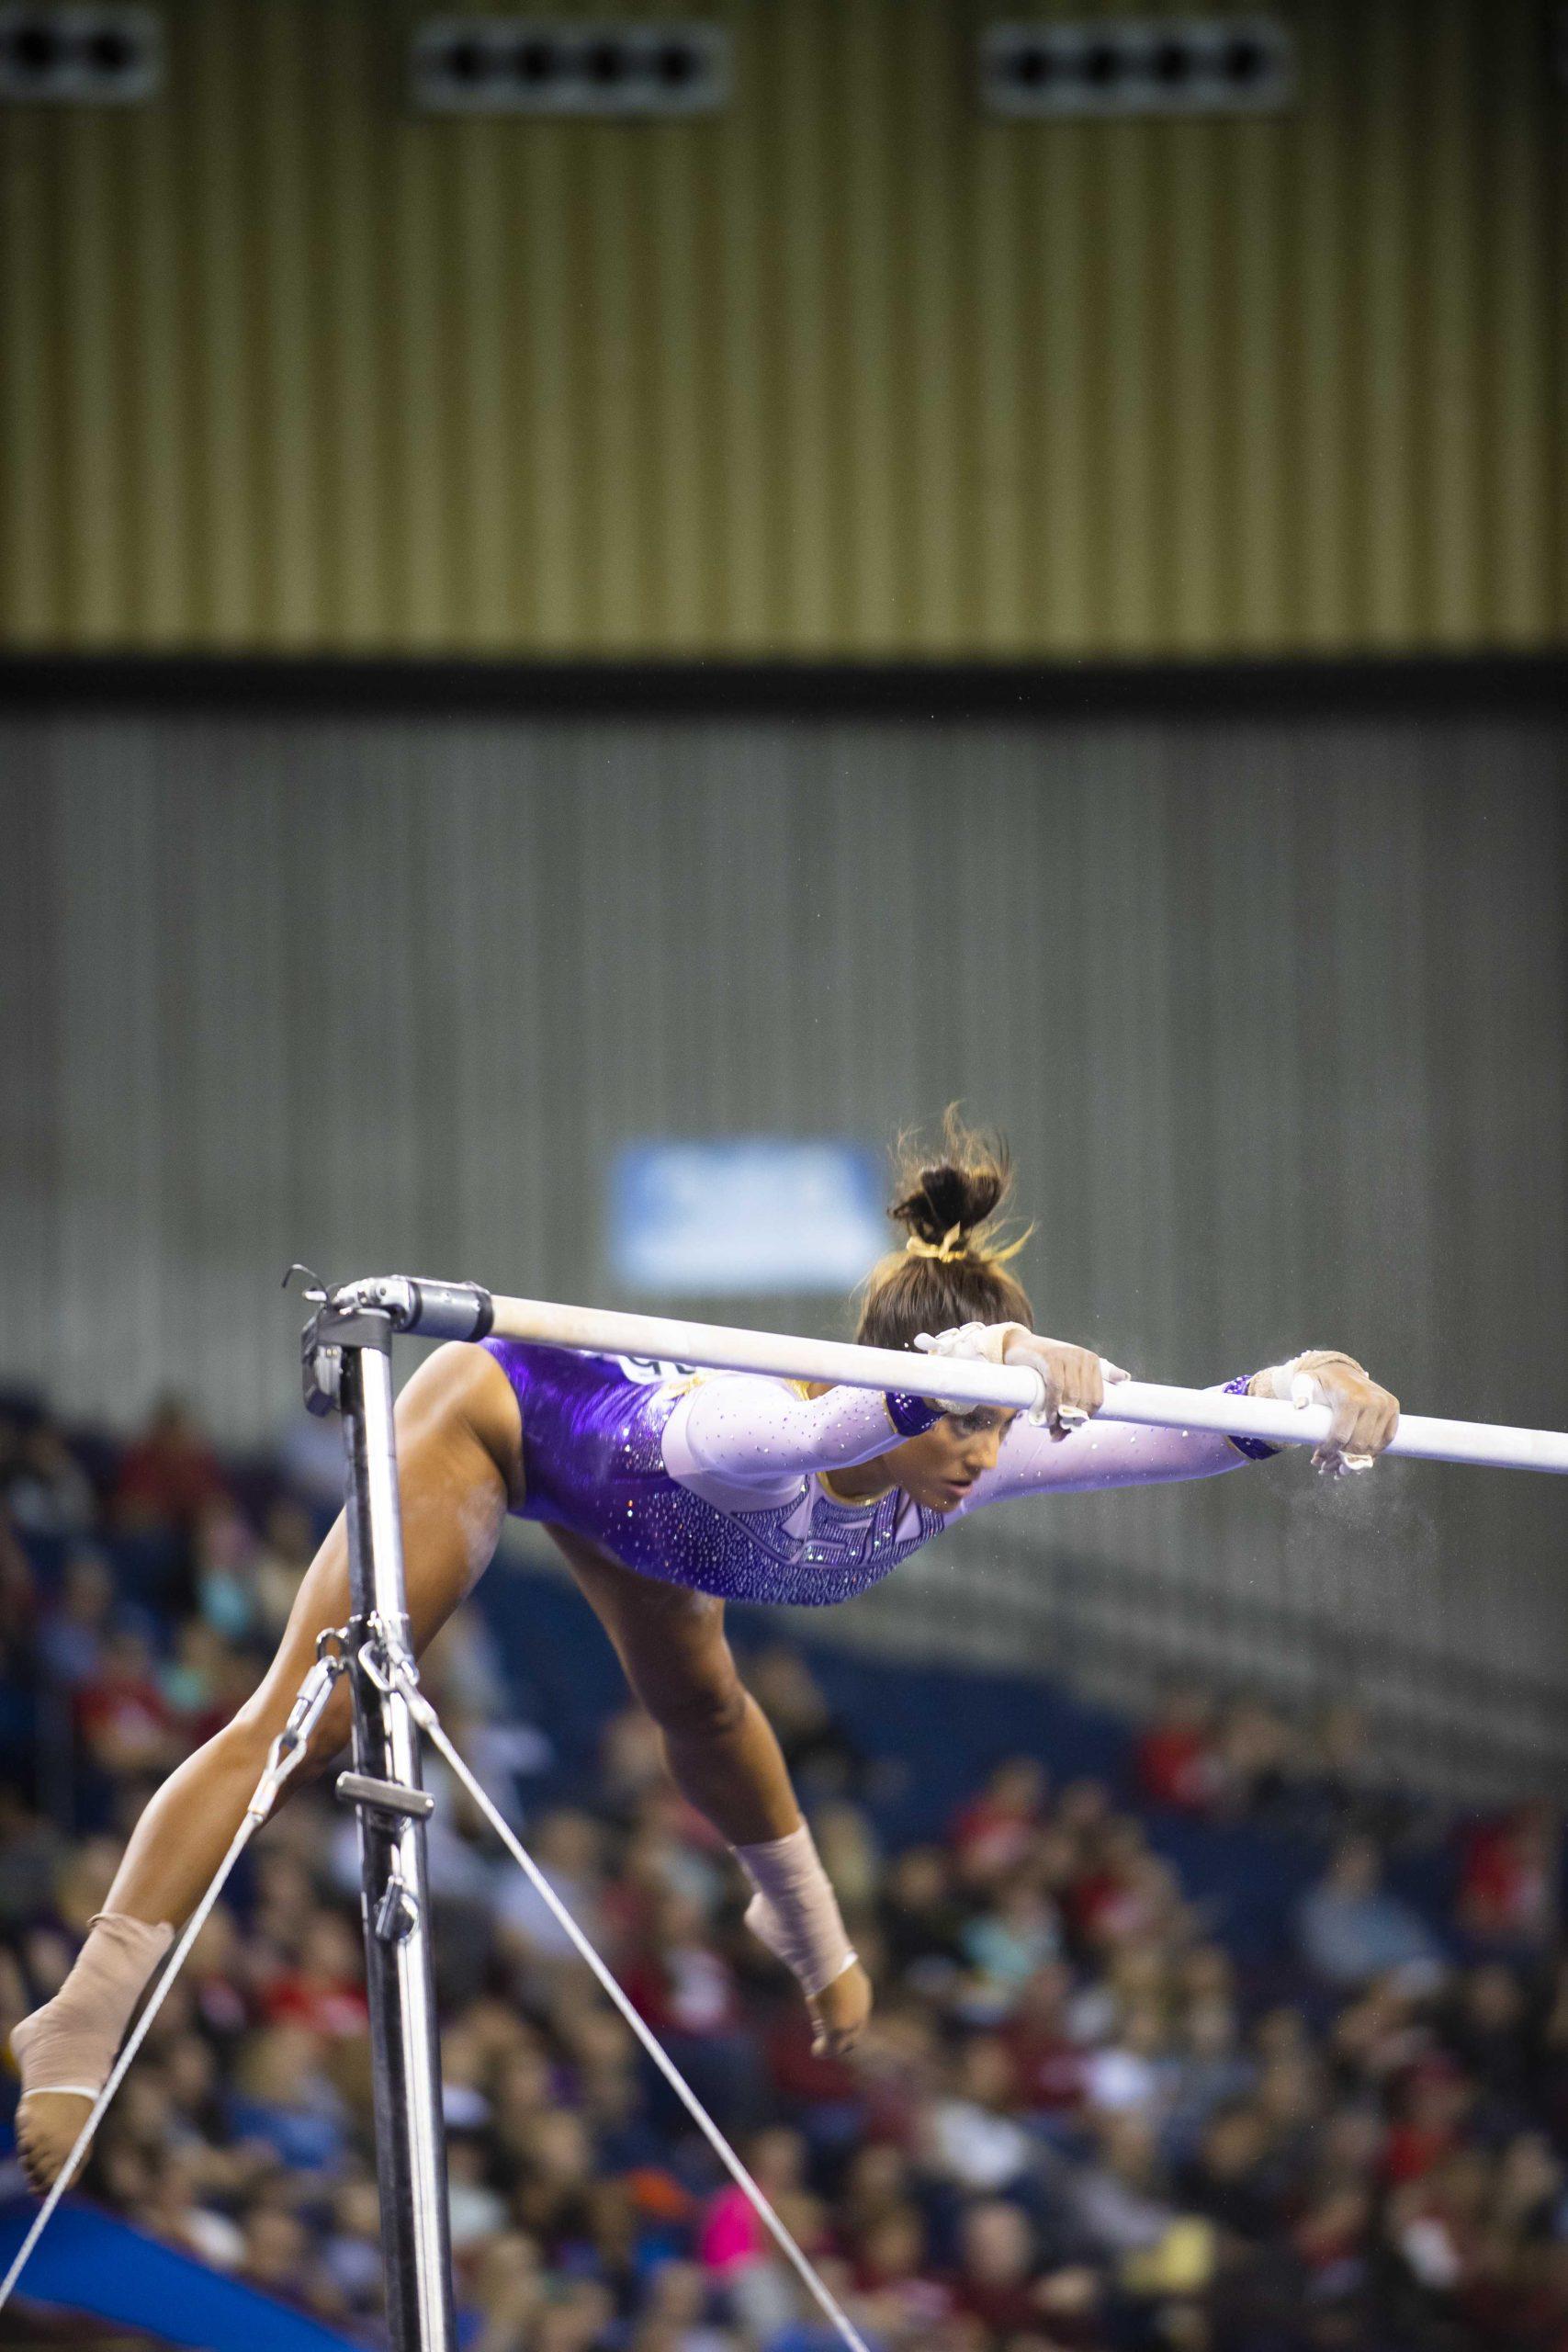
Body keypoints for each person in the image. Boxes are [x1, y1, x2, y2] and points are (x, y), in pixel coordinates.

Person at [12, 1115, 1400, 2190]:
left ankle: (797, 1923)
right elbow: (831, 1431)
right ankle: (84, 2009)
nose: (979, 1461)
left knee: (708, 1705)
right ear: (897, 1396)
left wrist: (1310, 1387)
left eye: (995, 1431)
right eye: (959, 1423)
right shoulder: (756, 1430)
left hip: (663, 1533)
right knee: (306, 1714)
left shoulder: (976, 1455)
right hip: (504, 1417)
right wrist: (985, 1365)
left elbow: (1208, 1428)